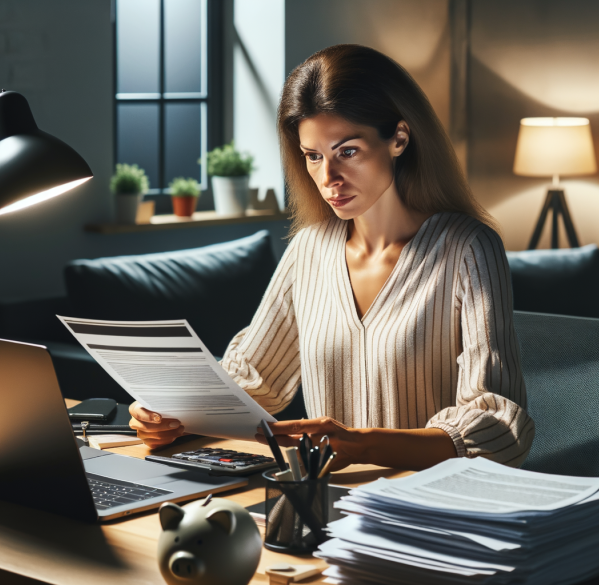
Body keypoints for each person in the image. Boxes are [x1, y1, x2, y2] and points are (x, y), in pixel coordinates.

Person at [130, 44, 534, 471]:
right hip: (326, 503)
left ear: (399, 138)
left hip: (428, 510)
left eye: (348, 151)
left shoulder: (468, 247)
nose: (328, 178)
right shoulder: (309, 248)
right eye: (313, 156)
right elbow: (255, 379)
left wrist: (361, 445)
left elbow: (497, 425)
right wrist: (171, 413)